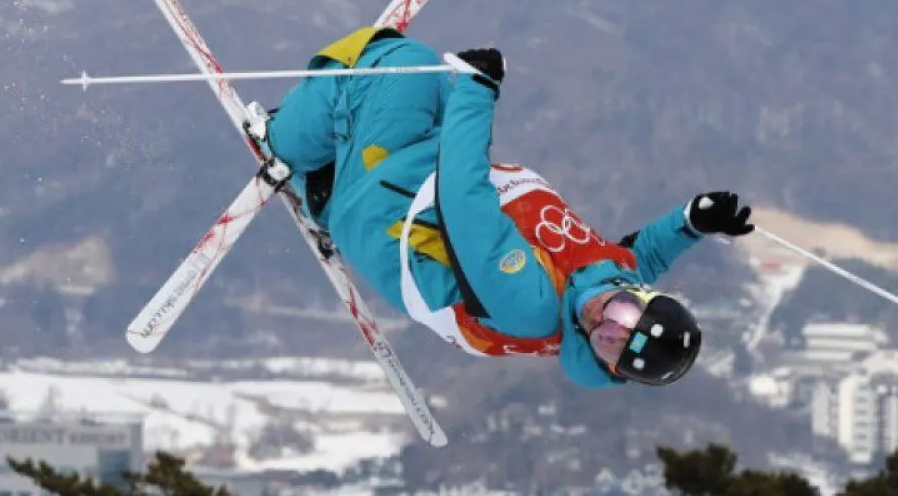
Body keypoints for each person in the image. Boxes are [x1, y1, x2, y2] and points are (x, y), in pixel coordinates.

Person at [245, 26, 755, 388]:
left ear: (604, 366)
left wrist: (479, 92)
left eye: (607, 344)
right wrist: (691, 223)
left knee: (397, 62)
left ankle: (284, 142)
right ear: (640, 296)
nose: (603, 323)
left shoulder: (529, 307)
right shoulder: (601, 283)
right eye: (622, 316)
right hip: (415, 186)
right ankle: (333, 162)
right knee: (431, 90)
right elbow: (633, 260)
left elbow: (464, 201)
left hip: (388, 211)